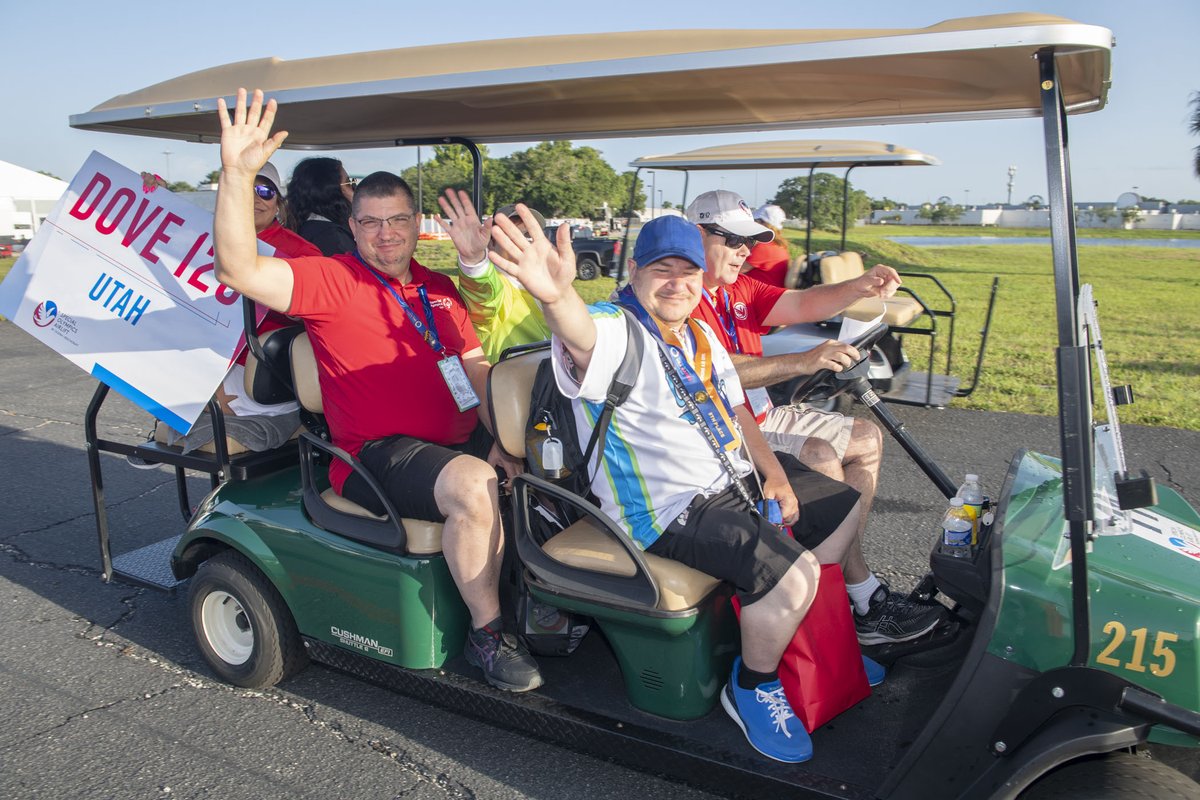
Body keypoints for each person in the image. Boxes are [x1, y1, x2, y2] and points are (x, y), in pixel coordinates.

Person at [488, 211, 875, 764]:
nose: (677, 283)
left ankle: (797, 642)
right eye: (662, 270)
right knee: (795, 575)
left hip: (730, 478)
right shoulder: (615, 328)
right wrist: (556, 297)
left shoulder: (697, 331)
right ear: (636, 271)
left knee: (841, 512)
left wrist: (775, 472)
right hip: (665, 509)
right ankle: (754, 683)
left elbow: (735, 407)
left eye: (688, 272)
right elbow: (580, 330)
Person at [212, 89, 541, 693]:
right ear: (352, 225)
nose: (385, 235)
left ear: (417, 225)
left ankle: (545, 604)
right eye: (369, 222)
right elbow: (238, 269)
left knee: (544, 454)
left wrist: (505, 437)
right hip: (374, 454)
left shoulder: (440, 288)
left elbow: (472, 373)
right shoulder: (332, 281)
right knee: (472, 483)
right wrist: (237, 174)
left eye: (397, 220)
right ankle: (490, 634)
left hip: (453, 441)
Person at [685, 189, 944, 645]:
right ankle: (858, 599)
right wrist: (803, 361)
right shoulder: (678, 295)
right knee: (821, 459)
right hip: (717, 429)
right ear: (695, 234)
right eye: (733, 240)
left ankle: (845, 588)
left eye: (750, 241)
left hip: (760, 413)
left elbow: (803, 304)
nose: (747, 251)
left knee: (865, 437)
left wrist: (859, 286)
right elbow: (713, 374)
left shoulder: (736, 288)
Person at [128, 162, 319, 464]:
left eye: (265, 191)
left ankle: (178, 418)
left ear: (278, 202)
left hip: (269, 380)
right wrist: (157, 198)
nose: (256, 198)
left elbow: (316, 314)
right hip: (217, 368)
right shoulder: (209, 240)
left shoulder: (302, 253)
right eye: (246, 190)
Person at [435, 188, 551, 362]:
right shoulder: (499, 286)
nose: (523, 240)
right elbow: (482, 298)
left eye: (530, 234)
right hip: (515, 386)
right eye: (511, 233)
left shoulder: (547, 282)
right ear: (491, 242)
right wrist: (474, 261)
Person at [286, 156, 357, 256]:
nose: (355, 190)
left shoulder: (304, 229)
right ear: (331, 192)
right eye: (350, 183)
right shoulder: (331, 238)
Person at [741, 204, 791, 287]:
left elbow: (736, 270)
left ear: (764, 224)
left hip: (760, 296)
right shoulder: (779, 245)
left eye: (756, 221)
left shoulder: (764, 248)